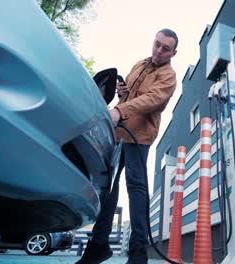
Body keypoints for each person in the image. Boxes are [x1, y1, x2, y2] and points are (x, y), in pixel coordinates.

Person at [76, 28, 178, 264]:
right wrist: (123, 93)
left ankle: (138, 252)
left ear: (173, 52)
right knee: (107, 187)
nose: (159, 51)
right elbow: (130, 95)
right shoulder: (140, 64)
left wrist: (120, 109)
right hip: (119, 132)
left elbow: (153, 99)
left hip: (139, 136)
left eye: (166, 48)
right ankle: (98, 245)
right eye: (157, 44)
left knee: (136, 188)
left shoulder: (168, 76)